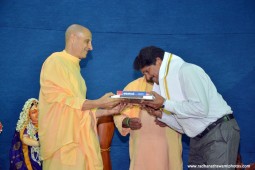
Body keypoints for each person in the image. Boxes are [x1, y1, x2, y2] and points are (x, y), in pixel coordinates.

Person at [133, 46, 240, 168]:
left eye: (147, 71)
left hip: (218, 132)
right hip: (197, 139)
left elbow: (200, 109)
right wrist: (161, 115)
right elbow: (183, 126)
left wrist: (164, 103)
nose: (147, 77)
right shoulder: (166, 84)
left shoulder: (186, 71)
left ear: (158, 61)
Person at [39, 24, 124, 170]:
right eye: (87, 41)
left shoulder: (74, 68)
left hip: (78, 143)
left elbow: (78, 111)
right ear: (73, 38)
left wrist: (108, 112)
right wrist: (99, 102)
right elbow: (62, 102)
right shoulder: (55, 61)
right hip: (63, 144)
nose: (90, 47)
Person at [114, 76, 183, 170]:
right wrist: (127, 122)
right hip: (141, 147)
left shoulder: (174, 87)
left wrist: (170, 120)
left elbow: (187, 113)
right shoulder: (133, 86)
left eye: (148, 70)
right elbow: (118, 113)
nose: (147, 74)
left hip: (168, 146)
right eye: (144, 71)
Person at [10, 98, 42, 170]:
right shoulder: (26, 127)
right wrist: (39, 143)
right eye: (34, 112)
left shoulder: (44, 125)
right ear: (28, 114)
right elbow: (25, 139)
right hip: (29, 159)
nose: (37, 114)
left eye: (39, 111)